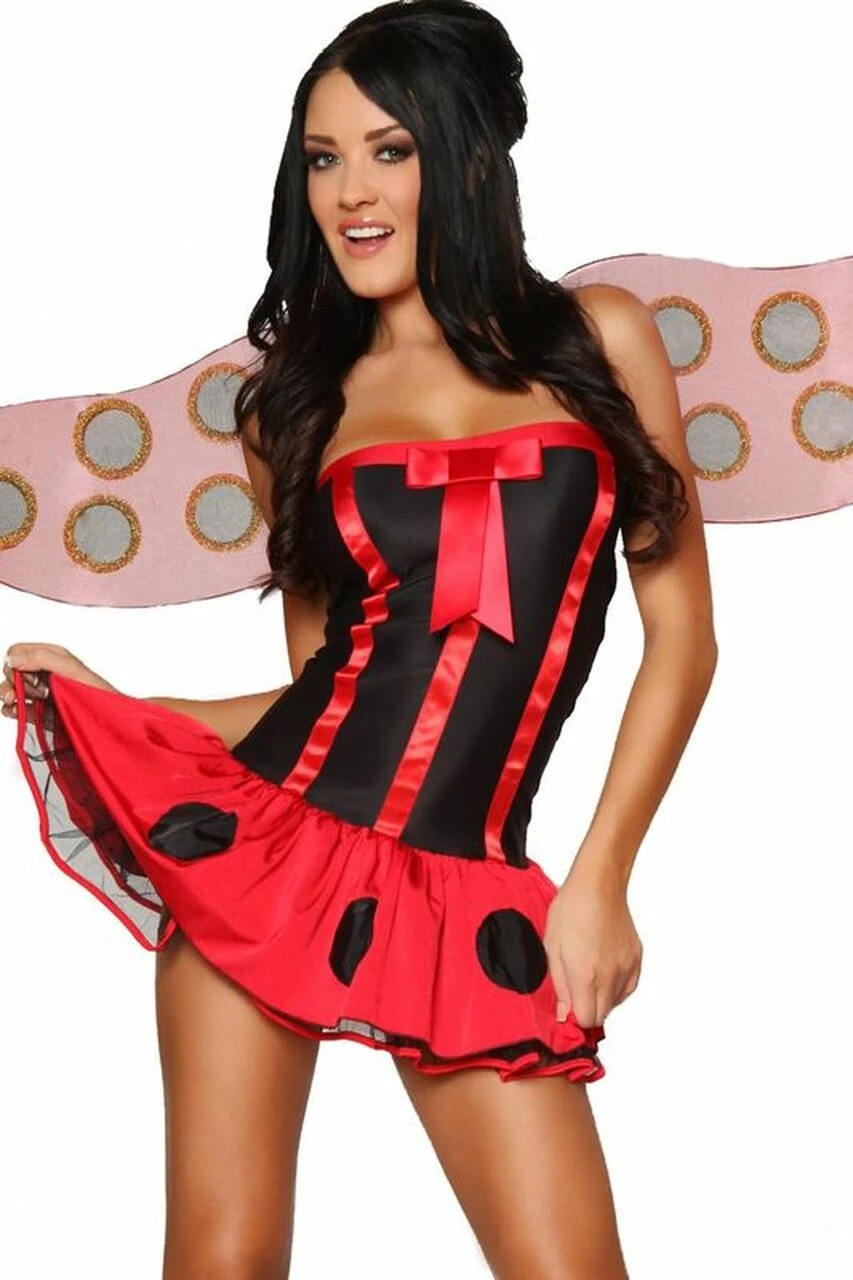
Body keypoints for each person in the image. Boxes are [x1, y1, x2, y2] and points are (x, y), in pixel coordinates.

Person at [1, 1, 717, 1276]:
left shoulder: (598, 338)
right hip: (265, 864)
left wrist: (601, 876)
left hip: (466, 883)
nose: (350, 193)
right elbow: (325, 689)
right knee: (222, 1257)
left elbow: (683, 638)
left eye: (389, 150)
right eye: (323, 158)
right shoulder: (297, 404)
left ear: (467, 156)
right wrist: (120, 698)